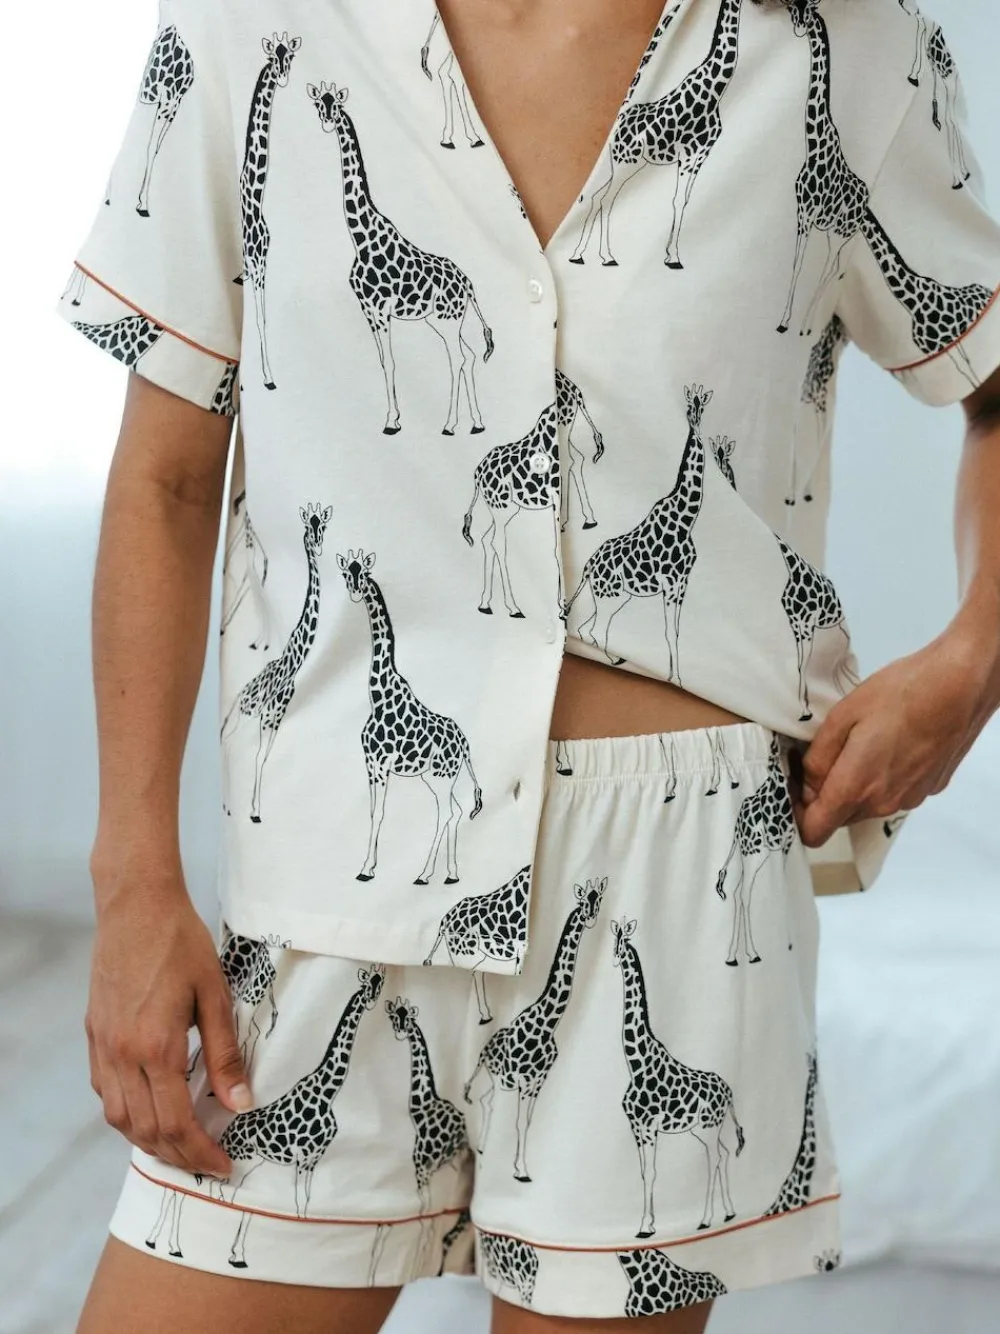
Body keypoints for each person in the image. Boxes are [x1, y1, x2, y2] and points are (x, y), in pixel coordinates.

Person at [57, 0, 1000, 1330]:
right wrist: (134, 880)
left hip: (676, 880)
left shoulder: (838, 46)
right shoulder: (252, 29)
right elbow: (164, 478)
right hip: (327, 890)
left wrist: (973, 660)